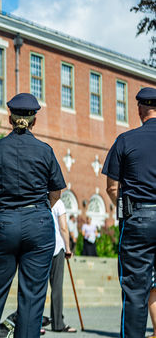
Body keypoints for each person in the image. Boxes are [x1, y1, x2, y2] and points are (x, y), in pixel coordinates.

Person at [0, 93, 66, 338]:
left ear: (10, 118)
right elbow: (56, 192)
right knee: (32, 297)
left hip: (4, 221)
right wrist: (42, 206)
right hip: (38, 222)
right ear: (34, 120)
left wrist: (4, 207)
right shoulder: (45, 151)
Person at [102, 86, 156, 338]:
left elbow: (112, 187)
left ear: (139, 109)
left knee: (135, 291)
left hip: (138, 218)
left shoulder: (125, 140)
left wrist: (126, 211)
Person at [48, 199, 75, 333]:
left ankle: (33, 321)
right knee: (56, 287)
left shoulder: (39, 199)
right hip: (57, 247)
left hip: (40, 247)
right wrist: (68, 248)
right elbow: (63, 227)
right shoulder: (58, 203)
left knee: (37, 286)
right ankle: (57, 323)